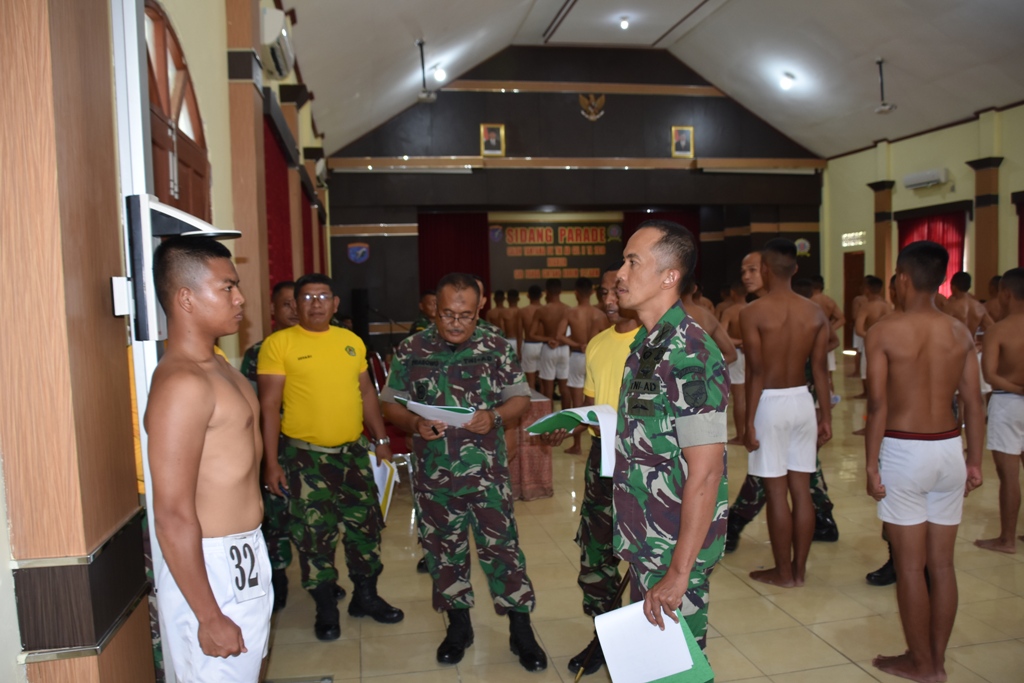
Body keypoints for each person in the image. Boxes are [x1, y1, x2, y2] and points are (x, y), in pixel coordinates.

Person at [380, 273, 547, 672]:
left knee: (503, 552)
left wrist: (494, 417)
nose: (456, 323)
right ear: (434, 309)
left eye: (466, 315)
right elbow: (390, 403)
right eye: (448, 314)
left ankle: (521, 631)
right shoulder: (412, 349)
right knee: (443, 553)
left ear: (480, 308)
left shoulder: (494, 346)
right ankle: (459, 628)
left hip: (486, 475)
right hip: (435, 477)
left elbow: (520, 399)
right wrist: (413, 423)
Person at [146, 236, 272, 681]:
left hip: (245, 553)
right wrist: (208, 615)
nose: (240, 299)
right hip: (209, 566)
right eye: (226, 288)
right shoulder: (182, 384)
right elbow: (172, 514)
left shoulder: (218, 365)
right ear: (186, 298)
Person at [258, 273, 403, 642]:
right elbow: (270, 405)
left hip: (353, 454)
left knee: (365, 529)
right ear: (297, 303)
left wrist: (381, 438)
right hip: (305, 459)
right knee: (313, 536)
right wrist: (270, 462)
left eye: (323, 296)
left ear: (336, 304)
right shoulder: (279, 345)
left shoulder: (350, 342)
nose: (316, 303)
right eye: (307, 297)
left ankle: (365, 598)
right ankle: (325, 608)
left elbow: (367, 393)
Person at [864, 241, 984, 682]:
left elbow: (877, 406)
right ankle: (937, 659)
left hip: (903, 448)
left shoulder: (884, 332)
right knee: (943, 564)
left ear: (903, 279)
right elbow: (974, 404)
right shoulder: (959, 333)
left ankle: (921, 662)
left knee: (911, 566)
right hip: (948, 448)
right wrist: (974, 461)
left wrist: (872, 464)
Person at [614, 219, 729, 651]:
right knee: (654, 665)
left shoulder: (690, 353)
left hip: (676, 544)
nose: (620, 274)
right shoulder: (650, 345)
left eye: (632, 262)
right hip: (650, 536)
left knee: (678, 668)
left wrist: (680, 572)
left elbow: (706, 472)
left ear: (669, 276)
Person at [741, 238, 832, 587]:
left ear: (764, 269)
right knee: (802, 489)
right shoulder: (815, 312)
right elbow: (821, 370)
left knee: (777, 493)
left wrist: (747, 422)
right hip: (802, 401)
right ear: (795, 269)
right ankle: (800, 570)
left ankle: (783, 572)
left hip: (770, 403)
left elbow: (756, 372)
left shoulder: (753, 313)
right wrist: (826, 415)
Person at [239, 281, 316, 612]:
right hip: (276, 448)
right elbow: (253, 407)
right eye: (285, 304)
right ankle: (278, 581)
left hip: (309, 450)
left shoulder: (318, 346)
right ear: (272, 310)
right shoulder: (258, 353)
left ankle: (321, 583)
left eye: (295, 303)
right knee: (277, 519)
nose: (292, 310)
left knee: (315, 519)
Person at [975, 268, 1024, 554]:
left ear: (1006, 294)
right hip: (1012, 399)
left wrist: (1017, 389)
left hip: (1008, 402)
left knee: (1009, 475)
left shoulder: (999, 330)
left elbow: (990, 375)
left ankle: (1007, 538)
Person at [558, 277, 609, 454]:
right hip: (597, 359)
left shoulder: (571, 312)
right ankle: (601, 437)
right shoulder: (600, 315)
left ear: (576, 293)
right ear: (593, 293)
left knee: (578, 402)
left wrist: (576, 344)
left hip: (578, 357)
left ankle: (577, 444)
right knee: (596, 399)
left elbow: (560, 336)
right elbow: (608, 338)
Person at [530, 278, 571, 402]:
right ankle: (567, 420)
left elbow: (532, 334)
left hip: (548, 349)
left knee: (548, 389)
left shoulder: (541, 310)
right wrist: (560, 341)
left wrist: (549, 339)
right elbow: (574, 335)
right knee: (564, 388)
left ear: (546, 291)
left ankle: (549, 419)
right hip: (564, 349)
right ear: (561, 291)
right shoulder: (568, 309)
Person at [720, 280, 750, 446]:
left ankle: (740, 435)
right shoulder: (755, 309)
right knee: (751, 395)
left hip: (737, 355)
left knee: (739, 397)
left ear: (733, 293)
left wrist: (738, 342)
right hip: (752, 354)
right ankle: (750, 431)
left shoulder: (730, 311)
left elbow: (722, 337)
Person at [854, 276, 892, 403]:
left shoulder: (866, 307)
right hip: (887, 343)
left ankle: (870, 394)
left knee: (868, 371)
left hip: (871, 343)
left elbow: (858, 329)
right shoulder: (888, 306)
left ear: (867, 290)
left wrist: (871, 336)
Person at [681, 282, 737, 366]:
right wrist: (703, 368)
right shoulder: (707, 315)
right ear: (694, 289)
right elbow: (731, 355)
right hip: (698, 375)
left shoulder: (662, 315)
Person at [811, 274, 846, 396]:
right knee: (828, 375)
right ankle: (830, 399)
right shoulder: (829, 301)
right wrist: (829, 329)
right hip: (826, 340)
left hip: (812, 339)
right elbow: (841, 319)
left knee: (813, 373)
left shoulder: (808, 301)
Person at [519, 285, 544, 391]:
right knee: (544, 381)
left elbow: (519, 334)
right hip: (544, 346)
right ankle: (547, 407)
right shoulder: (546, 310)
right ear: (542, 295)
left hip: (529, 346)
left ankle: (534, 406)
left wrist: (519, 351)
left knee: (530, 382)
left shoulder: (522, 311)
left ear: (528, 296)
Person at [848, 285, 868, 377]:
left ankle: (857, 371)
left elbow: (854, 315)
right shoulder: (880, 302)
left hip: (860, 325)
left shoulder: (858, 299)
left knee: (858, 350)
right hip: (869, 327)